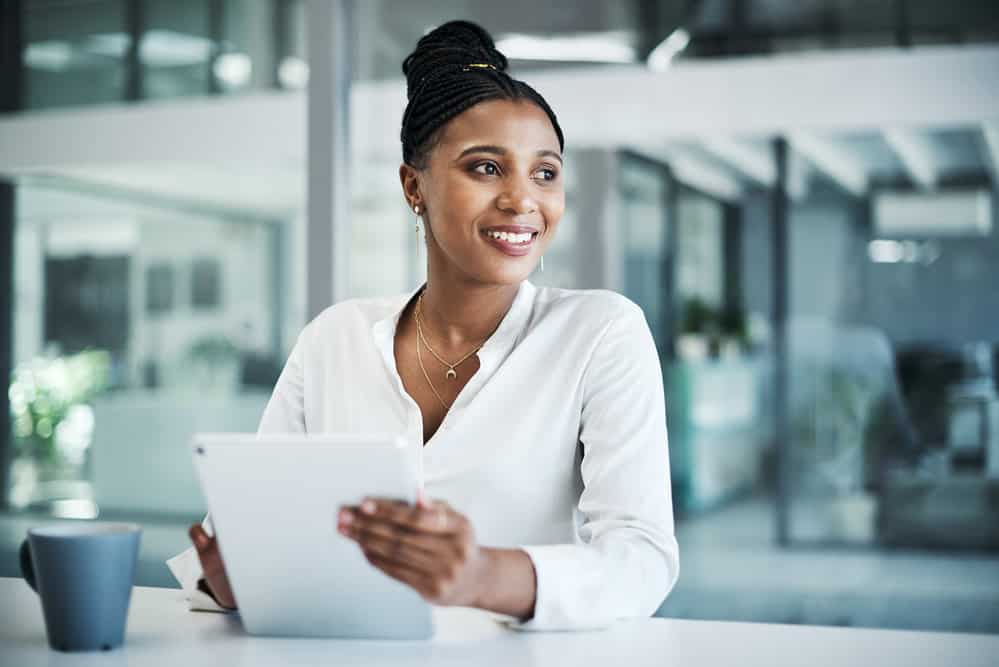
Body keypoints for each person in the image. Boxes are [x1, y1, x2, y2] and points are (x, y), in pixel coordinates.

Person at [167, 20, 678, 631]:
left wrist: (483, 576)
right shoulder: (335, 339)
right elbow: (242, 543)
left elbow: (641, 558)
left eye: (545, 172)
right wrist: (231, 582)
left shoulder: (600, 332)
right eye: (486, 168)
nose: (523, 200)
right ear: (414, 186)